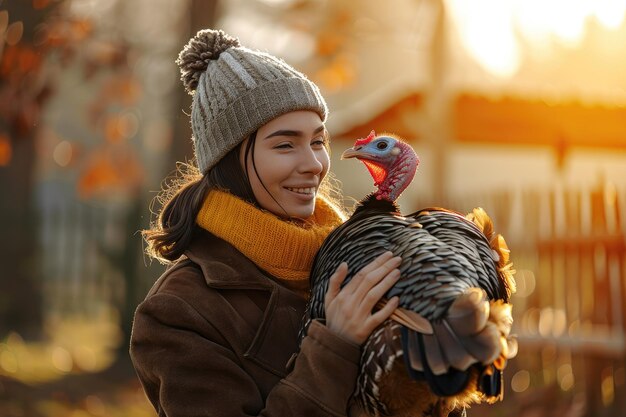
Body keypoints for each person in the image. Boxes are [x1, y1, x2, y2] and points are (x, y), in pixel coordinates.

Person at [129, 28, 402, 417]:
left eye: (318, 141)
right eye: (285, 144)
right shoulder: (179, 312)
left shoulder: (364, 261)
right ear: (229, 161)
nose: (312, 164)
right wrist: (335, 347)